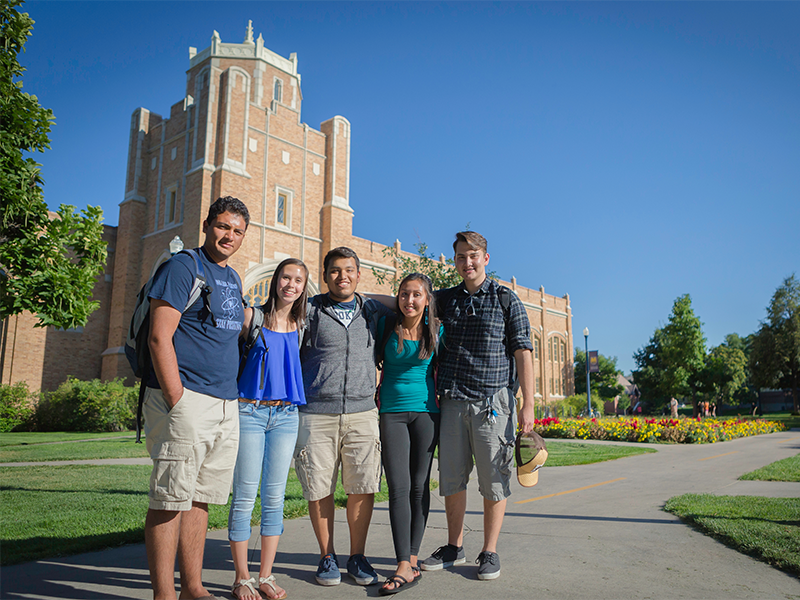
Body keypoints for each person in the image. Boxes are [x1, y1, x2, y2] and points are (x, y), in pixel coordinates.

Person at [143, 196, 249, 600]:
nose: (229, 236)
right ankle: (164, 594)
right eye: (223, 226)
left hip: (224, 402)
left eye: (237, 231)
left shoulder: (233, 277)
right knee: (170, 498)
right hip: (188, 399)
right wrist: (177, 398)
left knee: (201, 499)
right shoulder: (182, 266)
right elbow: (159, 336)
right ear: (207, 225)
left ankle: (192, 587)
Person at [421, 230, 535, 582]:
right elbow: (407, 300)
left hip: (494, 403)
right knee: (452, 480)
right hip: (453, 401)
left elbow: (523, 350)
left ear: (485, 258)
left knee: (493, 480)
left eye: (473, 255)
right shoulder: (444, 300)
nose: (467, 262)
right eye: (460, 257)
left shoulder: (506, 299)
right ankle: (455, 546)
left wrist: (528, 403)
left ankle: (489, 550)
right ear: (454, 261)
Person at [293, 246, 394, 587]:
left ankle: (357, 556)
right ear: (325, 276)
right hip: (316, 413)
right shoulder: (309, 310)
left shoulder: (371, 308)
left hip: (363, 412)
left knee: (362, 487)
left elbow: (407, 299)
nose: (342, 276)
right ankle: (326, 556)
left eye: (349, 270)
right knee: (319, 488)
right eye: (335, 271)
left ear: (358, 274)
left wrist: (370, 294)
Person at [227, 258, 309, 600]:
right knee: (245, 495)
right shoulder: (251, 317)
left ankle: (265, 575)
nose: (291, 284)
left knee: (274, 497)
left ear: (304, 288)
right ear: (276, 280)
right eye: (286, 277)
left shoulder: (302, 324)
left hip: (287, 415)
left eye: (298, 280)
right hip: (250, 412)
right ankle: (242, 577)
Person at [376, 273, 443, 596]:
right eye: (404, 294)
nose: (409, 300)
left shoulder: (437, 329)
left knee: (419, 486)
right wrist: (398, 303)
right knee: (398, 487)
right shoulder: (387, 324)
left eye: (417, 295)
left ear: (427, 299)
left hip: (427, 414)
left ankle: (412, 560)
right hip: (391, 413)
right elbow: (367, 298)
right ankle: (403, 562)